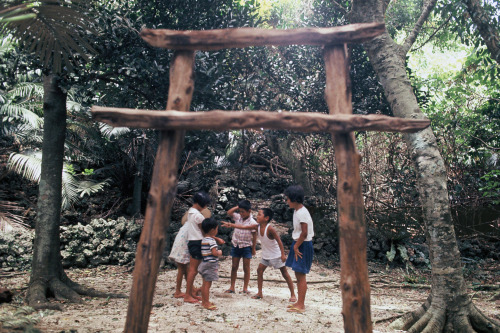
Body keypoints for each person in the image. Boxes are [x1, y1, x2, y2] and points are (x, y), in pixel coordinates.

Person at [223, 208, 296, 302]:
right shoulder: (257, 226)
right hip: (266, 254)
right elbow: (244, 227)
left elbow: (279, 241)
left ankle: (293, 294)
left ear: (266, 218)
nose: (257, 216)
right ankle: (259, 293)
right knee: (259, 270)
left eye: (259, 214)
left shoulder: (270, 228)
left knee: (284, 273)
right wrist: (231, 225)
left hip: (275, 254)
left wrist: (283, 254)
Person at [183, 191, 224, 304]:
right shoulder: (198, 216)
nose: (206, 207)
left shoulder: (190, 212)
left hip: (192, 241)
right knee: (193, 270)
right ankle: (188, 295)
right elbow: (205, 232)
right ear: (201, 203)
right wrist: (217, 239)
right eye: (205, 204)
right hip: (197, 242)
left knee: (192, 269)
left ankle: (190, 293)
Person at [168, 207, 211, 298]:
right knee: (184, 269)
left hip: (179, 247)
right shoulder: (194, 227)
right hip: (184, 247)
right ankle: (179, 291)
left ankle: (188, 289)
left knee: (184, 269)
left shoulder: (187, 224)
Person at [284, 185, 314, 313]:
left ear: (294, 199)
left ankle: (301, 304)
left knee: (301, 275)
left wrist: (296, 246)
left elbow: (304, 232)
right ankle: (299, 302)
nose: (286, 201)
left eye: (288, 199)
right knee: (297, 274)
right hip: (298, 242)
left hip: (303, 244)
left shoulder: (302, 212)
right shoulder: (297, 211)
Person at [224, 200, 257, 294]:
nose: (241, 213)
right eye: (240, 211)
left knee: (246, 267)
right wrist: (238, 206)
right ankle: (232, 286)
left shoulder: (252, 222)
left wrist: (253, 248)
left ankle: (245, 287)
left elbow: (254, 236)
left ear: (249, 211)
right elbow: (229, 212)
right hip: (236, 245)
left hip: (246, 246)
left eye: (243, 211)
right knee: (234, 266)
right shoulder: (238, 217)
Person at [198, 218, 223, 310]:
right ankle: (206, 302)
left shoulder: (204, 239)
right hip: (210, 264)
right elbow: (214, 253)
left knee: (204, 284)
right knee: (207, 285)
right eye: (216, 229)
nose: (217, 230)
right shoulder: (212, 241)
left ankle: (204, 301)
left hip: (204, 263)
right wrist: (219, 252)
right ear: (213, 230)